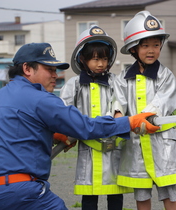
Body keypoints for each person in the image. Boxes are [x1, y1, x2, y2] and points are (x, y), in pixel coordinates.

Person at [0, 42, 159, 210]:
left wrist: (54, 135)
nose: (55, 75)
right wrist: (130, 122)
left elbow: (17, 130)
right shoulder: (41, 99)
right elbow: (86, 126)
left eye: (56, 70)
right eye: (49, 69)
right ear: (27, 68)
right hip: (17, 191)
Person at [112, 11, 176, 210]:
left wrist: (147, 115)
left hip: (163, 144)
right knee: (141, 196)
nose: (151, 50)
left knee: (169, 193)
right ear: (133, 48)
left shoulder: (165, 75)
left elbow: (167, 98)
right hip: (135, 146)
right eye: (145, 45)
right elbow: (118, 100)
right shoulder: (123, 78)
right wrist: (117, 114)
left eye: (156, 45)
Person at [59, 25, 133, 210]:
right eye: (95, 59)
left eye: (105, 58)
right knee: (89, 194)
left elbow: (122, 101)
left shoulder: (116, 81)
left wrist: (116, 113)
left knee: (115, 192)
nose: (101, 64)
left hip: (113, 145)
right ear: (82, 59)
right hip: (88, 147)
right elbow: (64, 109)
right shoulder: (74, 84)